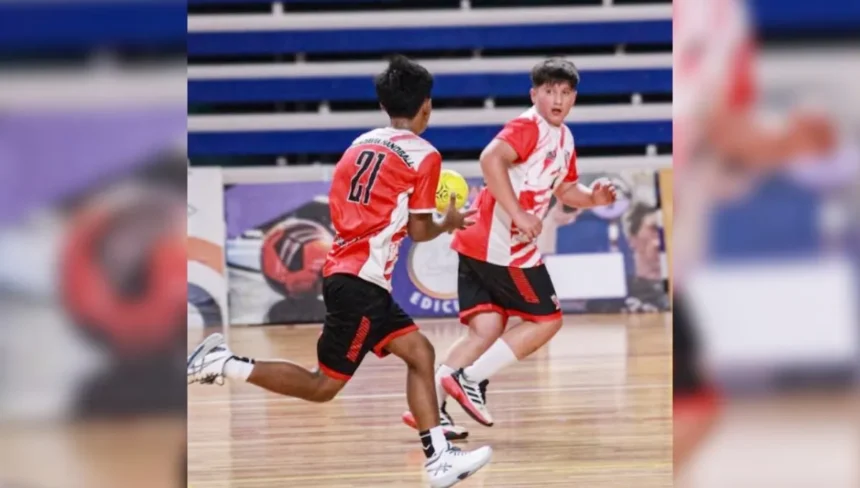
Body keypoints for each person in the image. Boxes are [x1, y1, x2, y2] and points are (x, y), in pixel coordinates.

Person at [187, 55, 492, 488]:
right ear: (426, 106)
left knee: (420, 353)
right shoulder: (426, 156)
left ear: (385, 105)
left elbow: (356, 209)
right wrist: (448, 221)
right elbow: (420, 231)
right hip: (361, 282)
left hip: (350, 274)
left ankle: (438, 457)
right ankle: (224, 363)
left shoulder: (359, 144)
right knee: (322, 386)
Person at [401, 58, 617, 437]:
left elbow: (565, 190)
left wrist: (592, 198)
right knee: (547, 320)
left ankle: (430, 409)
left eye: (565, 93)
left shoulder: (564, 139)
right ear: (534, 94)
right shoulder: (528, 125)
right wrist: (518, 213)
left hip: (477, 242)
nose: (557, 98)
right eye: (549, 90)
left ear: (574, 99)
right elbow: (490, 159)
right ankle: (471, 379)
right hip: (499, 244)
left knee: (485, 329)